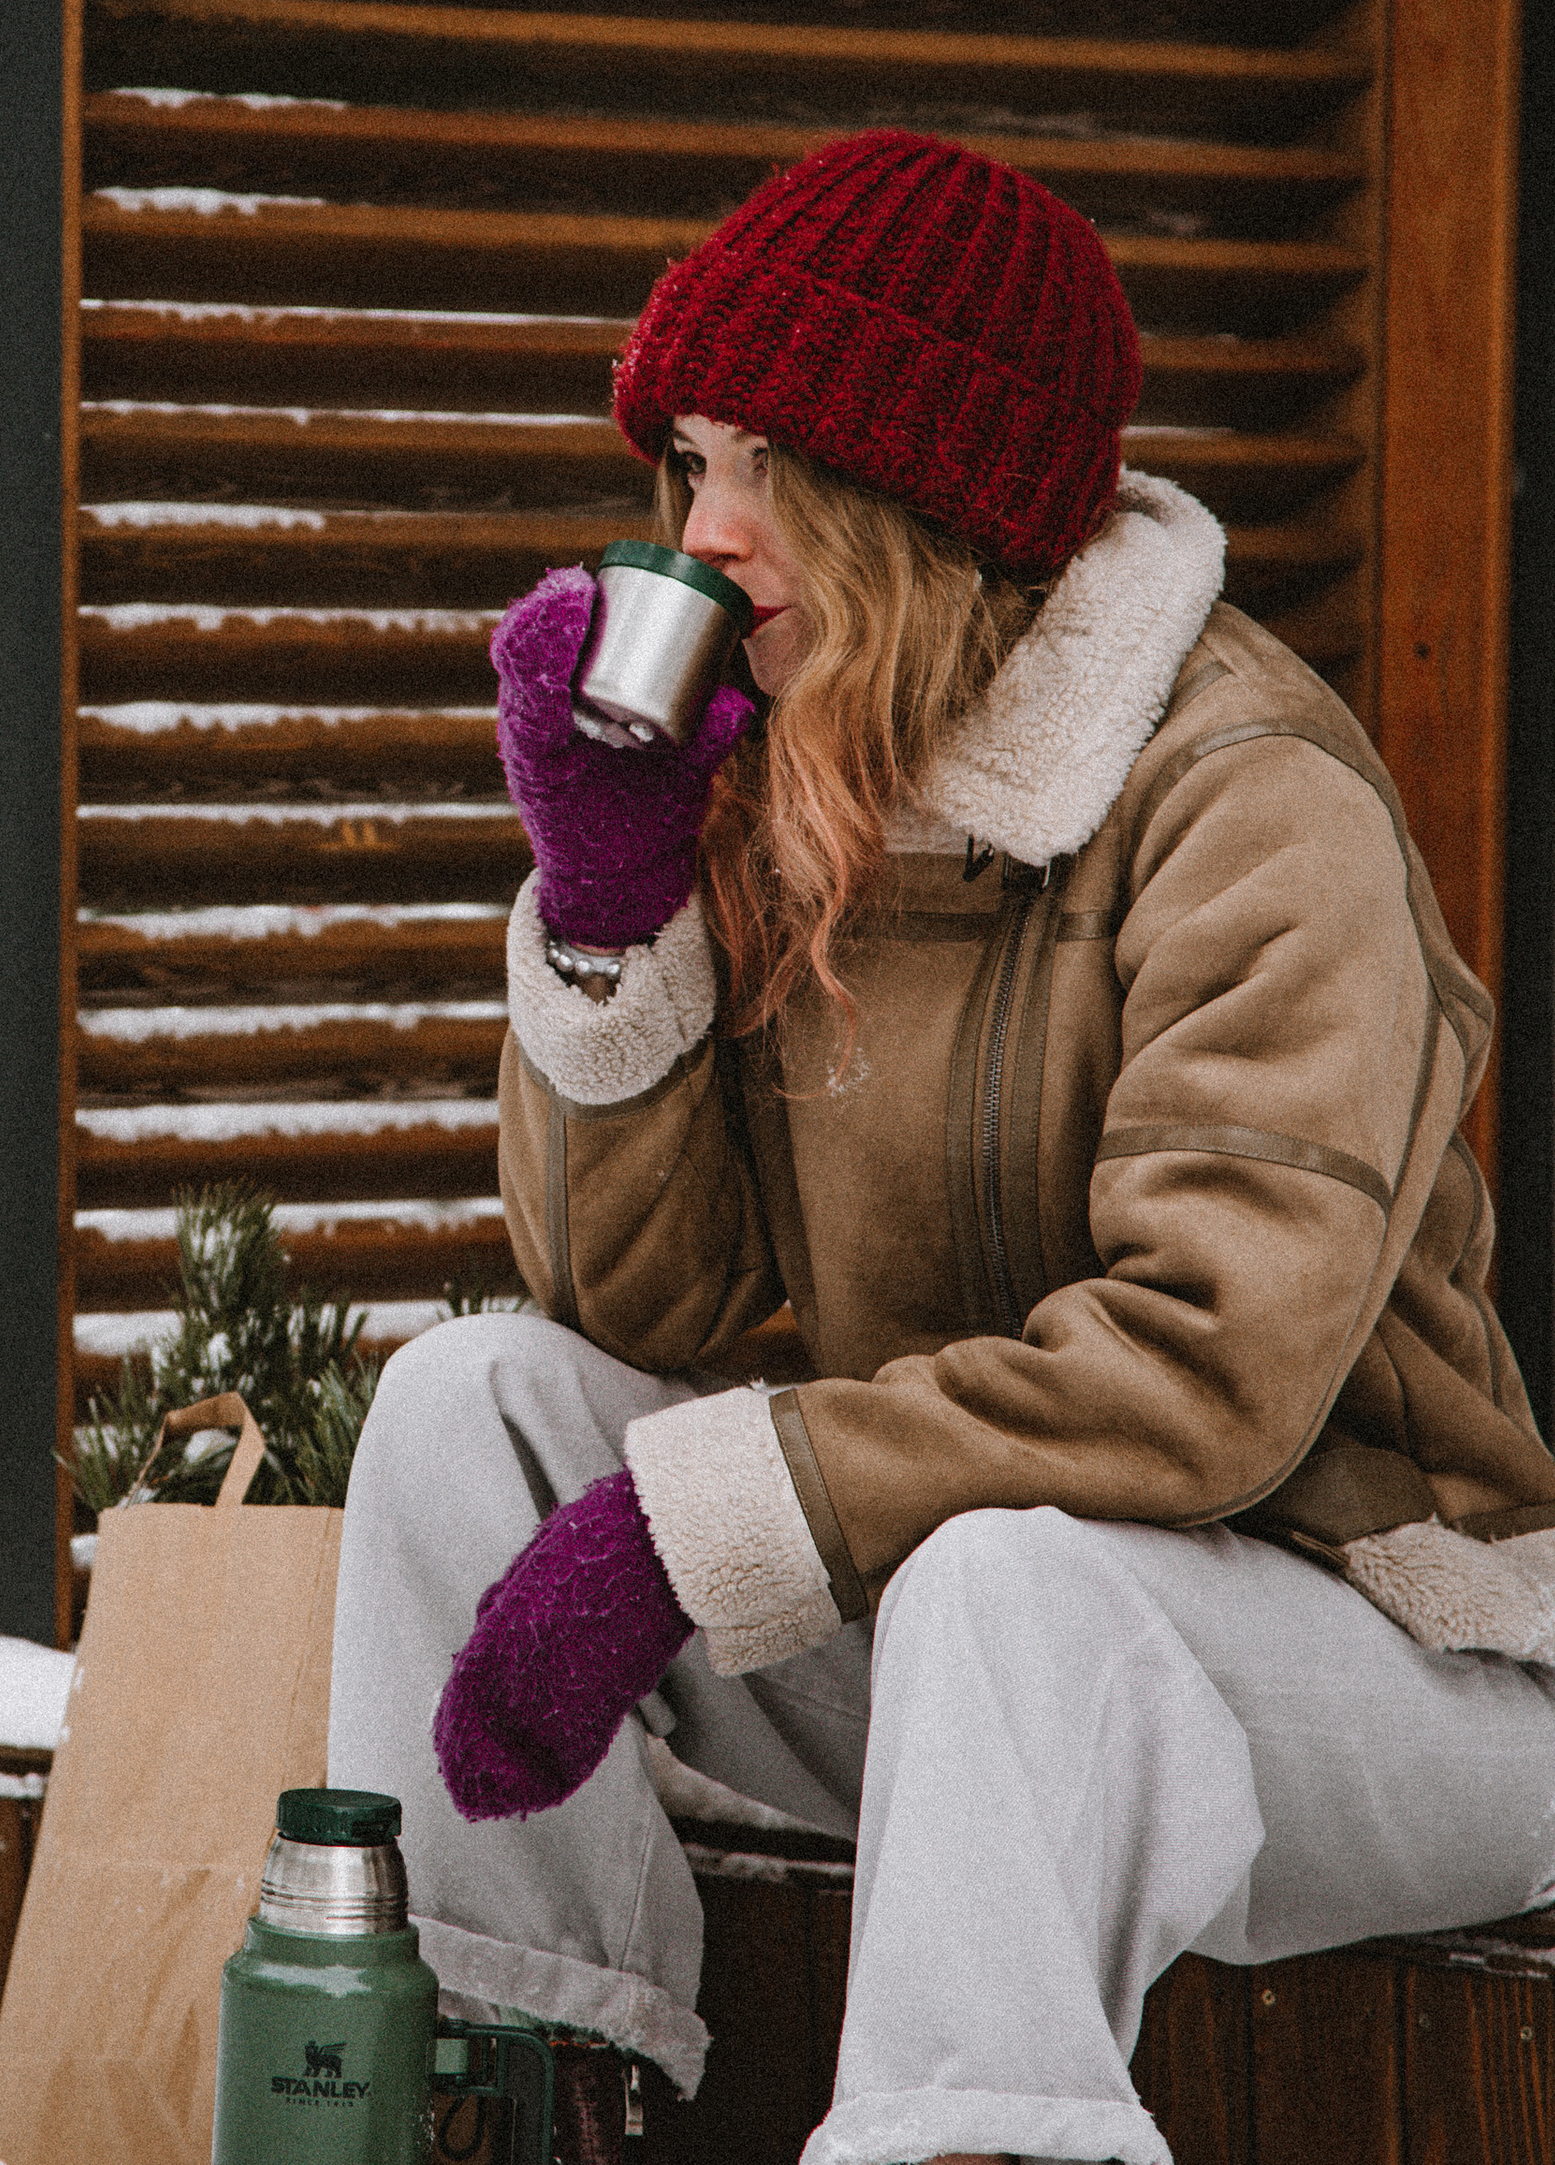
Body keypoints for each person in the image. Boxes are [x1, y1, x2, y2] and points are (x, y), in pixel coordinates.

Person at [327, 130, 1555, 2165]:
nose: (702, 533)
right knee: (474, 1401)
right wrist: (608, 902)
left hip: (1375, 1665)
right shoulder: (802, 774)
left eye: (763, 472)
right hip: (988, 1643)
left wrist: (699, 1519)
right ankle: (513, 2088)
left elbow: (1205, 1380)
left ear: (920, 492)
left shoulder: (1244, 797)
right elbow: (642, 1305)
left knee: (1008, 1577)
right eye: (686, 464)